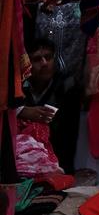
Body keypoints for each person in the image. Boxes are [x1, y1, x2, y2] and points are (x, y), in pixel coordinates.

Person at [18, 38, 80, 172]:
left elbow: (69, 136)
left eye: (48, 57)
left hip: (58, 162)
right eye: (37, 59)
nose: (44, 63)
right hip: (24, 160)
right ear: (27, 63)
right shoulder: (19, 87)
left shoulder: (66, 87)